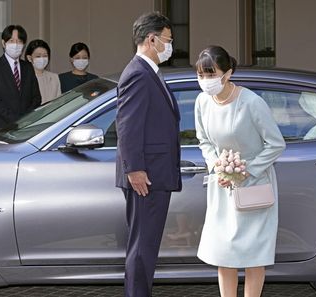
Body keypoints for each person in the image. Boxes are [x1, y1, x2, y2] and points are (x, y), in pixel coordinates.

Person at [194, 46, 286, 297]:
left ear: (228, 73)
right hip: (222, 184)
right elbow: (204, 141)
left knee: (254, 253)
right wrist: (217, 166)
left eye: (210, 74)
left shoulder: (251, 102)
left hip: (254, 184)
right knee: (224, 252)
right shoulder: (202, 101)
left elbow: (276, 144)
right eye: (201, 75)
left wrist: (247, 171)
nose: (205, 81)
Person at [115, 12, 181, 297]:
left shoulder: (149, 72)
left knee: (146, 246)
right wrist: (135, 169)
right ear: (152, 39)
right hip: (146, 176)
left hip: (153, 173)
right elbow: (128, 126)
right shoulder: (138, 74)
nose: (170, 45)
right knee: (142, 247)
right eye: (167, 39)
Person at [0, 25, 41, 130]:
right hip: (1, 127)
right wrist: (15, 119)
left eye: (19, 41)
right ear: (3, 43)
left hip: (26, 127)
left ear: (24, 45)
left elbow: (36, 97)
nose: (15, 45)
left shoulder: (28, 67)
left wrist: (26, 119)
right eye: (11, 41)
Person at [25, 39, 61, 104]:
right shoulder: (24, 77)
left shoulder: (54, 77)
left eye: (45, 56)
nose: (42, 59)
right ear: (29, 58)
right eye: (38, 56)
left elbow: (58, 102)